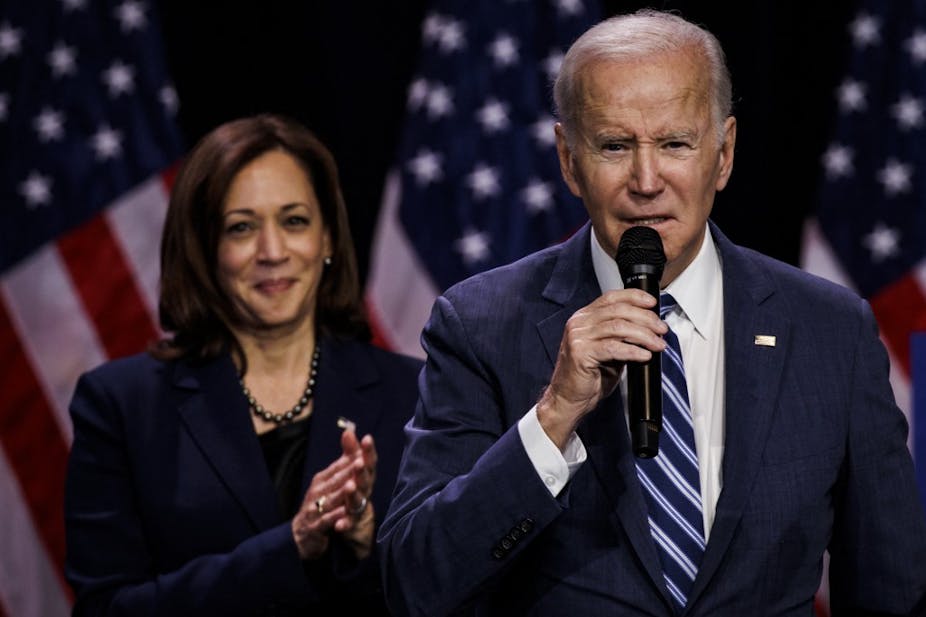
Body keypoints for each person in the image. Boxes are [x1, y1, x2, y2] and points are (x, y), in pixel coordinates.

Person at [378, 9, 926, 616]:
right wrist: (554, 416)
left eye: (674, 143)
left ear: (723, 153)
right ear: (567, 159)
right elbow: (415, 583)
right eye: (614, 146)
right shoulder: (479, 324)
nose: (646, 179)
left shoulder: (831, 330)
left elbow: (891, 589)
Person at [64, 114, 422, 615]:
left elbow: (455, 589)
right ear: (204, 250)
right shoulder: (122, 405)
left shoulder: (415, 393)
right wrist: (291, 545)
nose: (272, 252)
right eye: (241, 228)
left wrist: (363, 549)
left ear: (328, 241)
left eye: (294, 221)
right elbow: (107, 608)